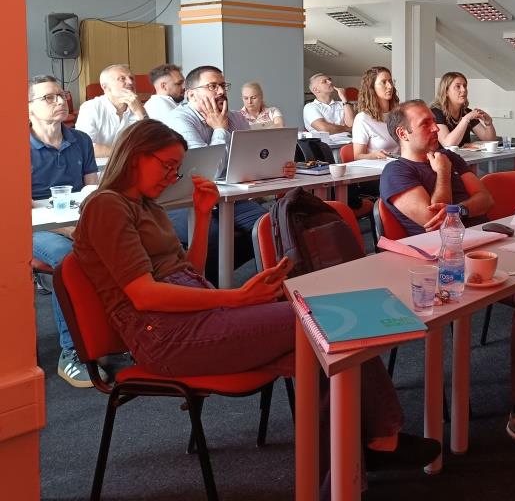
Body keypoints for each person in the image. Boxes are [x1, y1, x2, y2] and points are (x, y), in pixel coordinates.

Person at [71, 120, 439, 483]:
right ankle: (374, 446)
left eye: (175, 169)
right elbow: (143, 294)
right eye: (167, 166)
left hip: (192, 316)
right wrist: (237, 298)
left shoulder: (146, 206)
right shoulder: (107, 206)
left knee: (325, 346)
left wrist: (203, 215)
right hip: (163, 335)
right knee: (324, 319)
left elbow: (189, 272)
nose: (172, 177)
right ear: (136, 155)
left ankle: (349, 467)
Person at [380, 100, 515, 460]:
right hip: (443, 265)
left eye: (433, 122)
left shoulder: (448, 156)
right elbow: (433, 220)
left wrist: (459, 207)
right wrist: (443, 175)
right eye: (425, 123)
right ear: (403, 133)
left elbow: (485, 199)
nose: (436, 127)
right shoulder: (397, 172)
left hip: (483, 245)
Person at [163, 65, 291, 284]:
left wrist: (279, 169)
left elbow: (251, 161)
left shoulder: (236, 119)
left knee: (270, 225)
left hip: (229, 197)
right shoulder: (178, 120)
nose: (221, 91)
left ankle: (267, 285)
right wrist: (220, 129)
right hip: (187, 200)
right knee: (214, 236)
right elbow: (207, 173)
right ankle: (211, 290)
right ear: (191, 94)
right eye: (212, 86)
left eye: (223, 85)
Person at [29, 75, 99, 387]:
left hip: (77, 222)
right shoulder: (16, 145)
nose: (60, 101)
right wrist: (68, 229)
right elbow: (23, 206)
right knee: (69, 258)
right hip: (36, 229)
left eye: (61, 95)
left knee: (130, 243)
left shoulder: (80, 140)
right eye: (48, 97)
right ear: (28, 107)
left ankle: (120, 335)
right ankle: (72, 351)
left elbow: (91, 190)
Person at [75, 63, 146, 157]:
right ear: (105, 87)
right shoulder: (90, 107)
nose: (130, 82)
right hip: (100, 165)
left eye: (131, 78)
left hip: (132, 163)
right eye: (122, 78)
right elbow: (85, 147)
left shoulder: (139, 108)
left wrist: (141, 113)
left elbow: (153, 142)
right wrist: (126, 152)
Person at [431, 71, 497, 147]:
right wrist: (465, 119)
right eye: (458, 86)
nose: (463, 90)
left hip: (464, 155)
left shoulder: (467, 112)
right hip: (442, 155)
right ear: (446, 91)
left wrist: (489, 123)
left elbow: (490, 141)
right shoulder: (436, 113)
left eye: (465, 86)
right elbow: (448, 144)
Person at [351, 66, 399, 160]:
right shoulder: (362, 119)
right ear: (371, 87)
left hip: (402, 164)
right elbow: (357, 156)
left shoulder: (399, 113)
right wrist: (375, 155)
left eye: (390, 81)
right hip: (380, 166)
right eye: (383, 82)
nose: (390, 86)